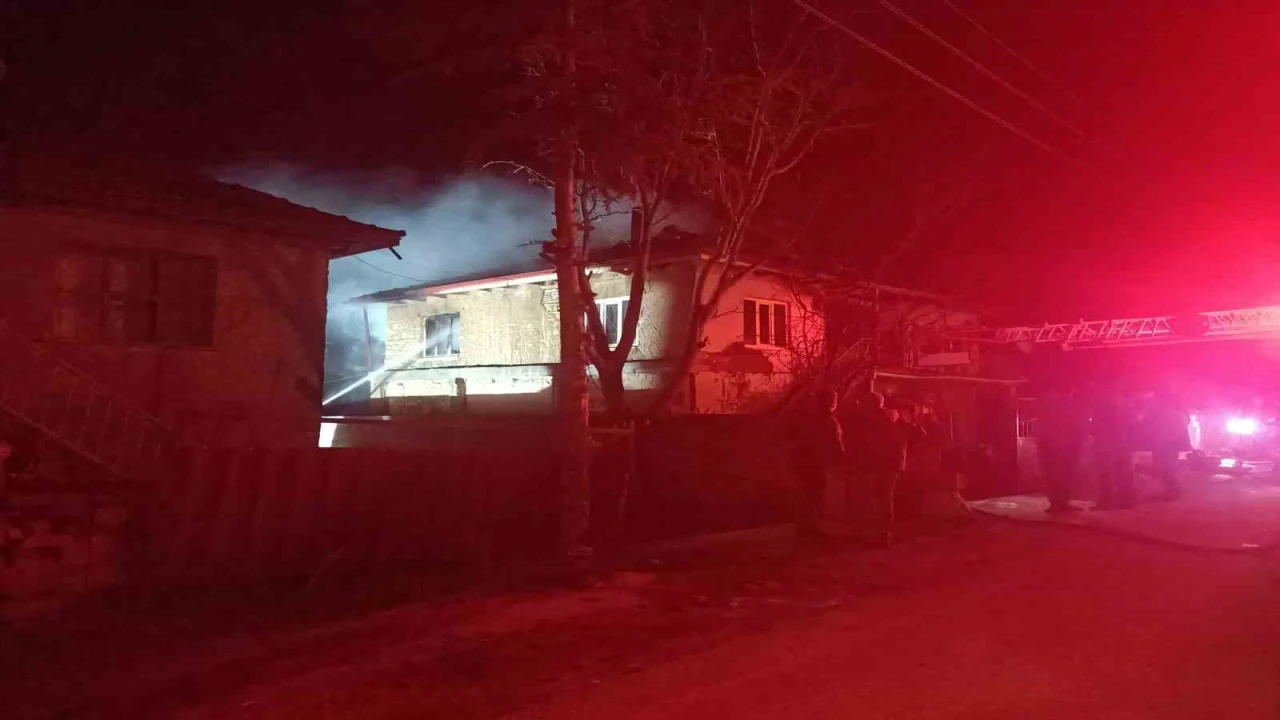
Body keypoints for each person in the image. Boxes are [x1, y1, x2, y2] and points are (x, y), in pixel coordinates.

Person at [788, 388, 845, 539]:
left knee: (804, 494)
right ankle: (811, 527)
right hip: (817, 463)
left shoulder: (805, 418)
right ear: (831, 402)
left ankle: (803, 527)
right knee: (814, 495)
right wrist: (841, 460)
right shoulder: (828, 420)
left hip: (802, 462)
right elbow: (835, 442)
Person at [1036, 387, 1085, 514]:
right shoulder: (1066, 404)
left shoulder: (1046, 402)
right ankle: (1060, 503)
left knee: (1055, 474)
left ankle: (1057, 503)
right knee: (1062, 473)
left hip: (1052, 443)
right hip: (1060, 443)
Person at [1091, 387, 1137, 510]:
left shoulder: (1103, 405)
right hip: (1120, 441)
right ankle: (1127, 500)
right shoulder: (1125, 403)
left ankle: (1107, 501)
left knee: (1105, 472)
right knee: (1122, 471)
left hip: (1106, 442)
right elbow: (1132, 423)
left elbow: (1097, 425)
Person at [1146, 387, 1190, 501]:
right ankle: (1172, 492)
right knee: (1167, 467)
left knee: (1166, 467)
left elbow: (1165, 428)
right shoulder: (1175, 410)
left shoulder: (1167, 411)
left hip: (1166, 442)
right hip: (1168, 442)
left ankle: (1174, 492)